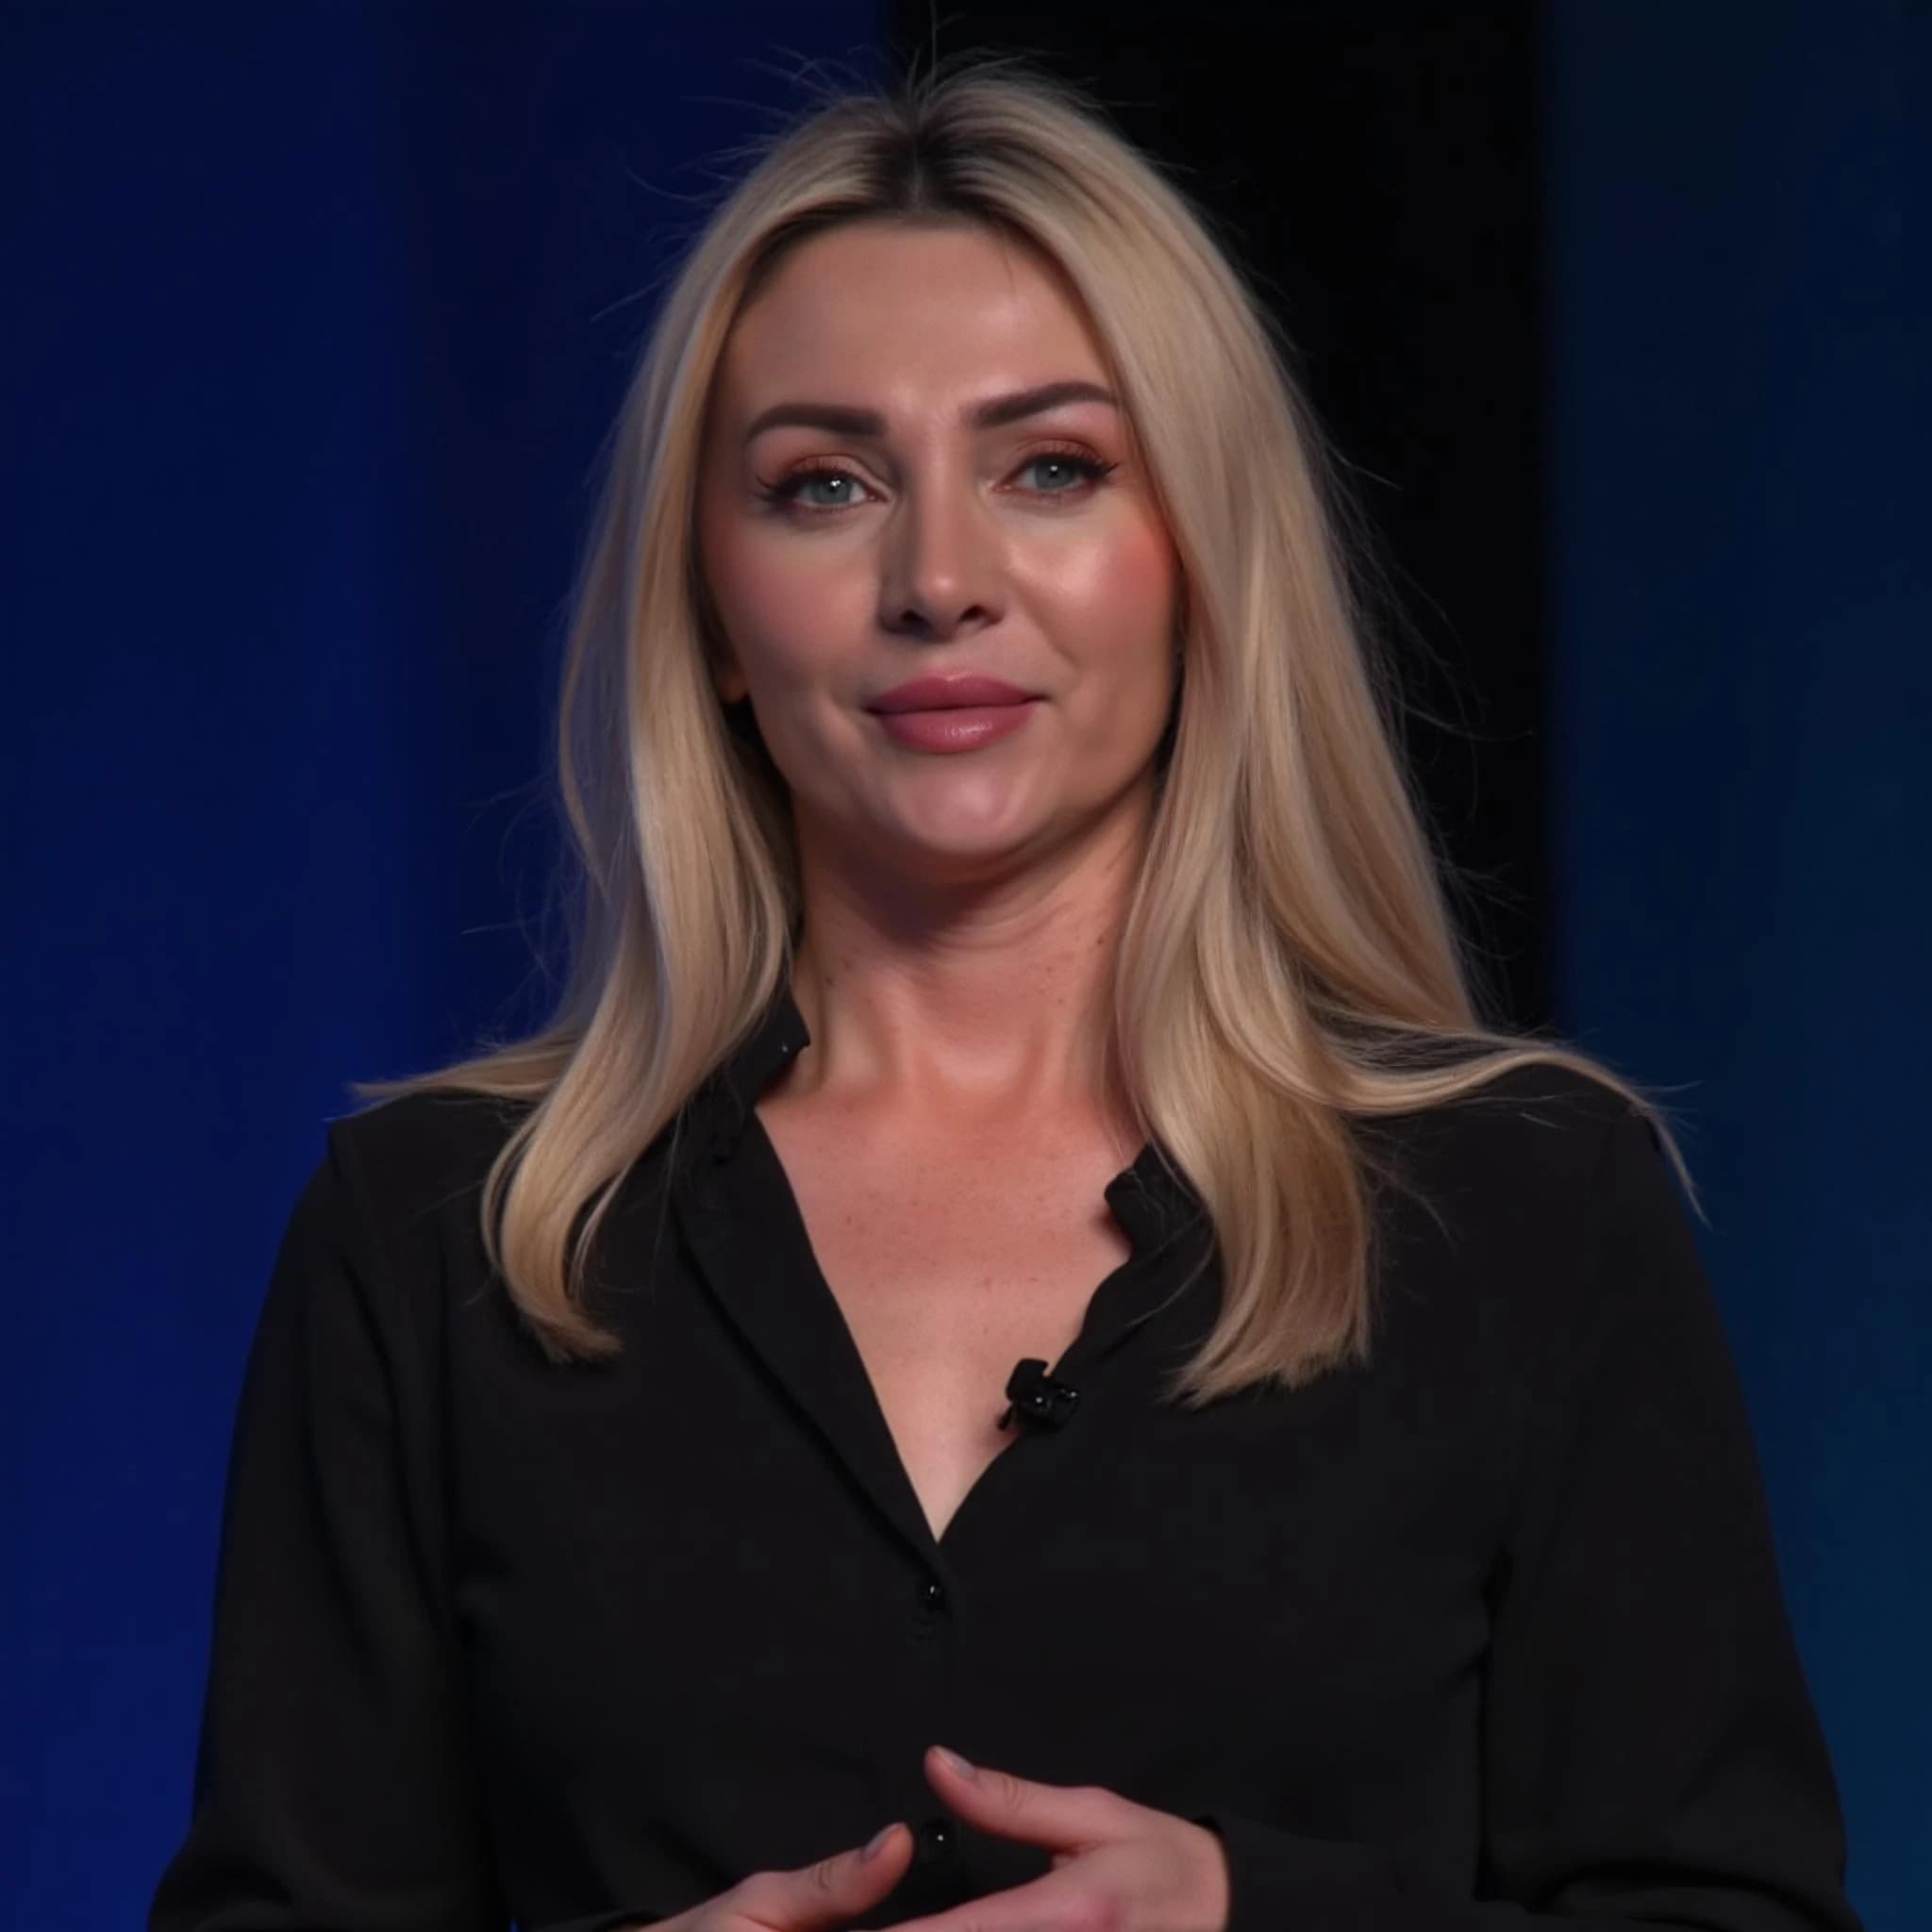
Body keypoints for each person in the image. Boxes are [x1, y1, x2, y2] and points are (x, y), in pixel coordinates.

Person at [150, 58, 1861, 1932]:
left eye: (1049, 466)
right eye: (824, 485)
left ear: (1199, 557)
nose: (937, 578)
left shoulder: (1530, 1204)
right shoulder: (432, 1241)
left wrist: (1252, 1920)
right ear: (713, 611)